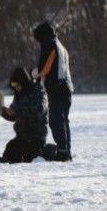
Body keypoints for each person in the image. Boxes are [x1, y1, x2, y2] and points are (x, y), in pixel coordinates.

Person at [33, 21, 74, 161]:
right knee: (64, 120)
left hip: (58, 89)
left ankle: (63, 152)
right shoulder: (60, 45)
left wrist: (36, 74)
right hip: (66, 88)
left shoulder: (50, 45)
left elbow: (46, 67)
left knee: (56, 120)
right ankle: (66, 150)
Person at [0, 66, 47, 163]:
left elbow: (39, 110)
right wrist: (6, 113)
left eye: (17, 84)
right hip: (21, 137)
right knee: (9, 151)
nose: (15, 87)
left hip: (36, 137)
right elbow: (15, 116)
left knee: (30, 156)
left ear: (23, 82)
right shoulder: (18, 95)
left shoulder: (38, 91)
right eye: (13, 85)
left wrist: (17, 111)